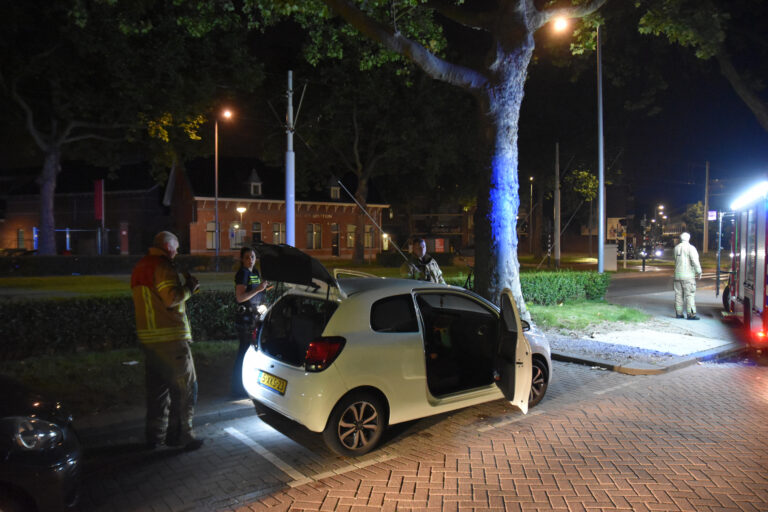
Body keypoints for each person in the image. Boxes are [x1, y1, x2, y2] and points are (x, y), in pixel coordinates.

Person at [131, 231, 203, 451]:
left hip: (149, 340)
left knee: (157, 393)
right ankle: (181, 436)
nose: (178, 252)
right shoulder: (163, 266)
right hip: (171, 339)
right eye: (177, 247)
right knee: (185, 389)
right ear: (168, 247)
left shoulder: (141, 266)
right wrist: (190, 288)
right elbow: (171, 298)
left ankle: (154, 436)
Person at [232, 246, 268, 398]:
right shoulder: (242, 273)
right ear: (242, 259)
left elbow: (256, 292)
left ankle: (246, 385)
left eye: (252, 257)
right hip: (245, 320)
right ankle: (237, 388)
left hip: (255, 318)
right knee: (244, 353)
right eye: (247, 257)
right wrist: (259, 289)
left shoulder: (255, 273)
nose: (250, 260)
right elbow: (240, 298)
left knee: (251, 353)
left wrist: (264, 289)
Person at [673, 232, 702, 320]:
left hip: (677, 276)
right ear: (688, 238)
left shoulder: (676, 248)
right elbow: (695, 261)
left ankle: (679, 313)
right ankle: (691, 314)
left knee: (678, 295)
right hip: (688, 276)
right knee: (690, 295)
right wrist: (699, 272)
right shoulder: (691, 248)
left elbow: (676, 260)